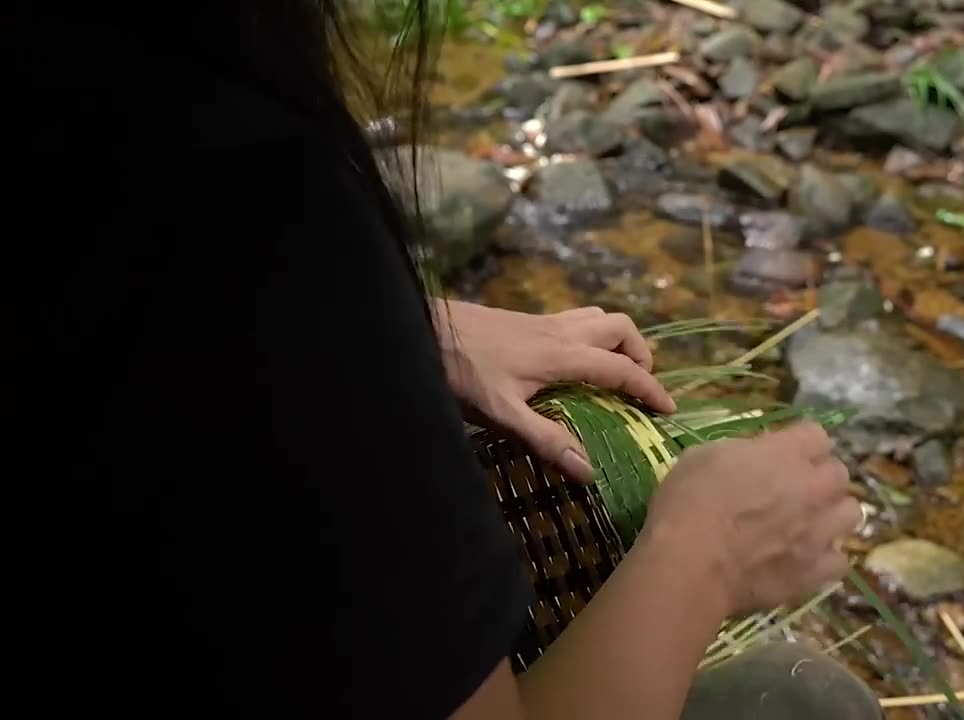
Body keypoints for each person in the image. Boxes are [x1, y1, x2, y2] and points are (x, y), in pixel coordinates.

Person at [12, 4, 878, 718]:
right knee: (802, 701)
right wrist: (708, 550)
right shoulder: (249, 194)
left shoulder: (87, 91)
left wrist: (407, 331)